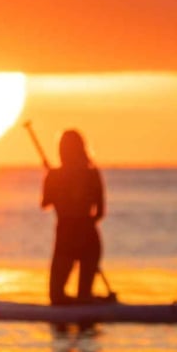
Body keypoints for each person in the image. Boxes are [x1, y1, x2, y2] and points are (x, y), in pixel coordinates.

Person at [41, 129, 109, 305]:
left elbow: (45, 203)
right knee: (76, 298)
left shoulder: (61, 175)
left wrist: (52, 180)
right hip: (83, 238)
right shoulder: (91, 174)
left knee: (59, 298)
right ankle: (94, 303)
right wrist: (52, 179)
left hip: (71, 239)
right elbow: (100, 213)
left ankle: (95, 303)